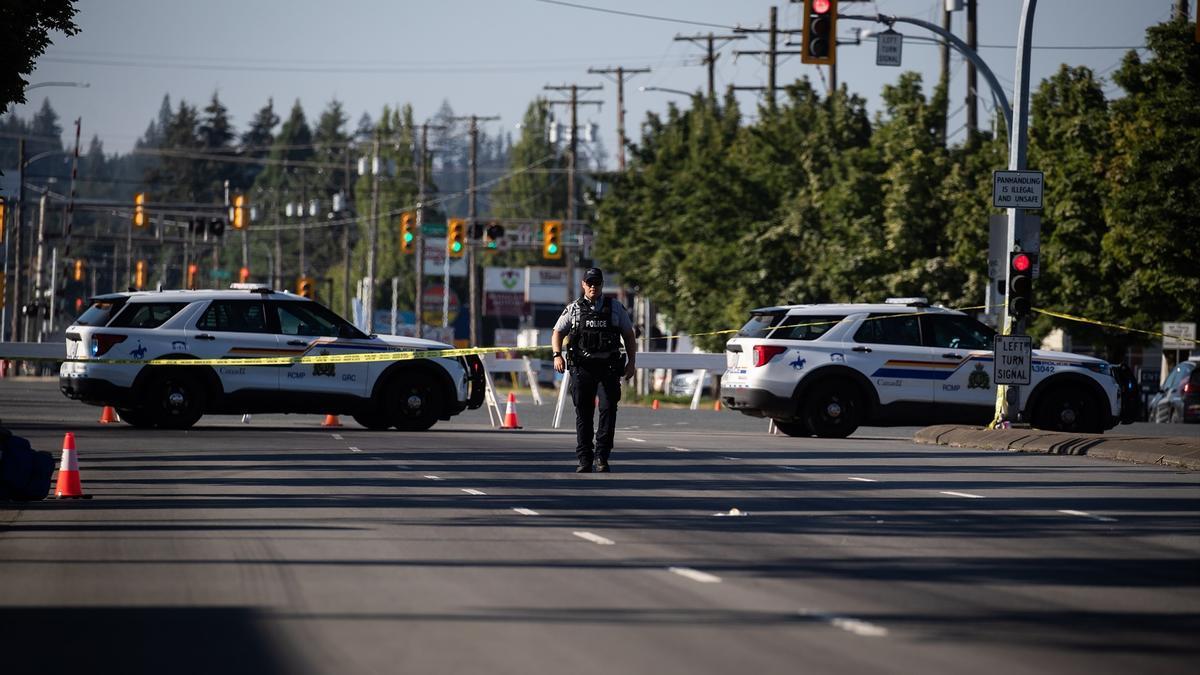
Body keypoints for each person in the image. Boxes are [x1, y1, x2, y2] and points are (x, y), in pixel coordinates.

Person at [552, 267, 637, 473]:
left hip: (608, 368)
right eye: (589, 283)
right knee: (584, 413)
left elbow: (629, 335)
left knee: (608, 410)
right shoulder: (574, 308)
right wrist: (557, 355)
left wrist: (632, 362)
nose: (592, 286)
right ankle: (584, 458)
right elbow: (557, 332)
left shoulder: (615, 308)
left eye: (596, 283)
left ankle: (602, 456)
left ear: (601, 285)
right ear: (583, 284)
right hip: (582, 368)